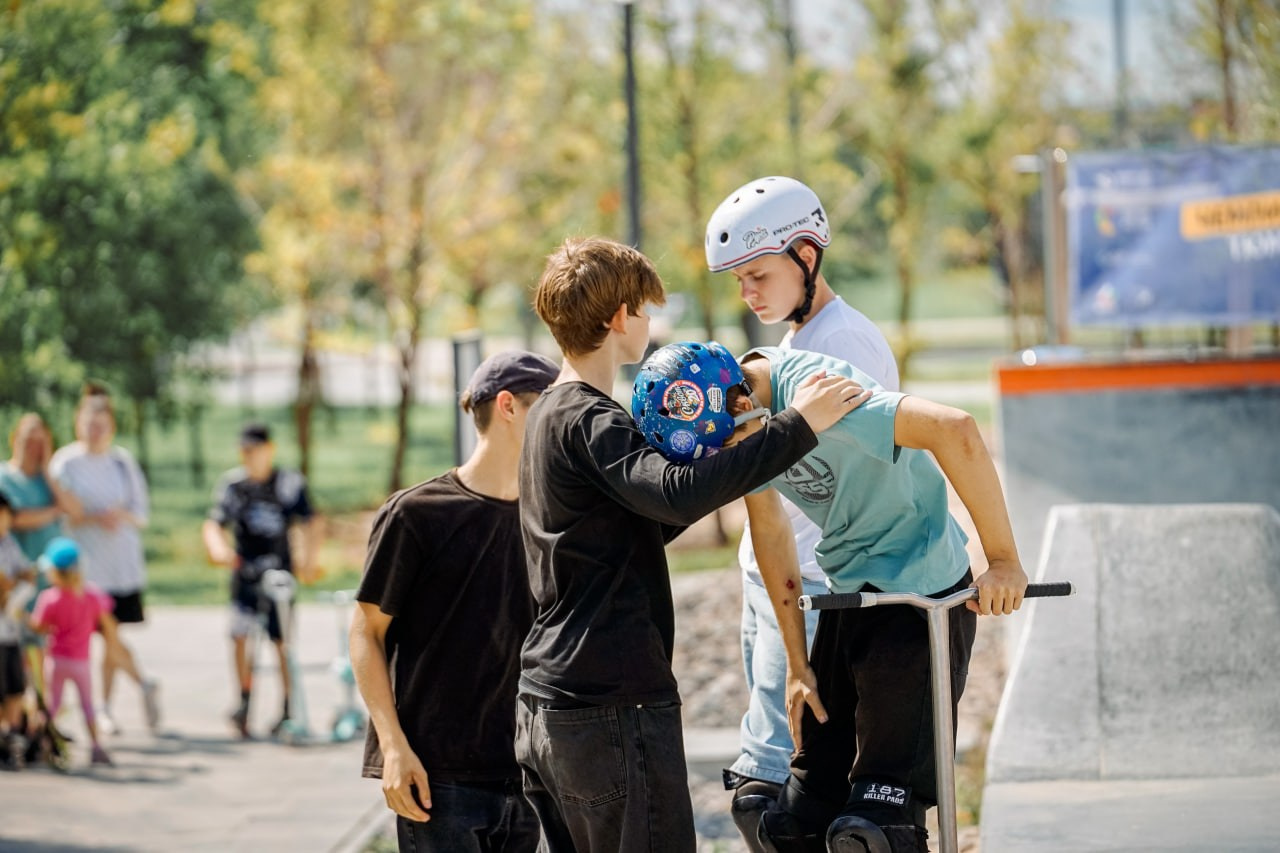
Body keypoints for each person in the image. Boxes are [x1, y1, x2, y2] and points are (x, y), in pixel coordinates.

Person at [515, 236, 869, 852]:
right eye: (645, 310)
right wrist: (799, 425)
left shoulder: (551, 414)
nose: (650, 323)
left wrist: (731, 458)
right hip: (609, 703)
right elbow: (675, 494)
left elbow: (644, 523)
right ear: (620, 317)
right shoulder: (593, 419)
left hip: (552, 706)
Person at [633, 342, 1028, 853]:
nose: (732, 464)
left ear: (742, 402)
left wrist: (1003, 561)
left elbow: (955, 427)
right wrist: (798, 666)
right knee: (792, 823)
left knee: (874, 830)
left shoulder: (822, 392)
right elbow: (770, 532)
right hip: (849, 590)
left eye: (729, 450)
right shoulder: (738, 415)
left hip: (919, 589)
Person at [704, 175, 902, 845]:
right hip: (773, 577)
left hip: (813, 584)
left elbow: (853, 479)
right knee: (769, 789)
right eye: (740, 280)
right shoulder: (797, 341)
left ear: (807, 254)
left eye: (758, 274)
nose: (748, 292)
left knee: (775, 798)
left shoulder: (841, 346)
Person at [351, 350, 560, 853]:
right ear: (508, 406)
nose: (563, 424)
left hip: (529, 777)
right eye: (551, 408)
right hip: (438, 782)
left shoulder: (550, 518)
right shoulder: (416, 514)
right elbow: (365, 633)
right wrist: (393, 748)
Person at [50, 384, 160, 735]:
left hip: (121, 566)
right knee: (102, 633)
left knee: (110, 637)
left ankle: (106, 707)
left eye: (101, 424)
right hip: (86, 568)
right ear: (78, 422)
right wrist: (92, 517)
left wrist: (119, 515)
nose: (95, 430)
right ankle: (141, 683)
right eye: (89, 423)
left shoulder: (122, 462)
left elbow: (141, 513)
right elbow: (62, 513)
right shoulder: (65, 463)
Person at [202, 422, 321, 739]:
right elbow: (214, 523)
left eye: (254, 449)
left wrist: (309, 559)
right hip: (245, 574)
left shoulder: (288, 483)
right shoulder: (234, 485)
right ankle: (243, 700)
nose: (248, 456)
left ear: (269, 449)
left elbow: (311, 521)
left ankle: (287, 707)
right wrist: (219, 548)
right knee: (240, 636)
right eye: (244, 450)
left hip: (279, 576)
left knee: (282, 642)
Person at [27, 537, 116, 766]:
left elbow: (38, 626)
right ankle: (96, 747)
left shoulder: (50, 598)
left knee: (52, 704)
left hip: (56, 660)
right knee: (87, 705)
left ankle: (39, 743)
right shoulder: (91, 595)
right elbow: (105, 619)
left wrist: (24, 618)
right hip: (81, 662)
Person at [0, 491, 36, 768]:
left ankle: (11, 737)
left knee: (16, 689)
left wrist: (15, 583)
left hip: (11, 631)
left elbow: (25, 575)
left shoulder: (10, 543)